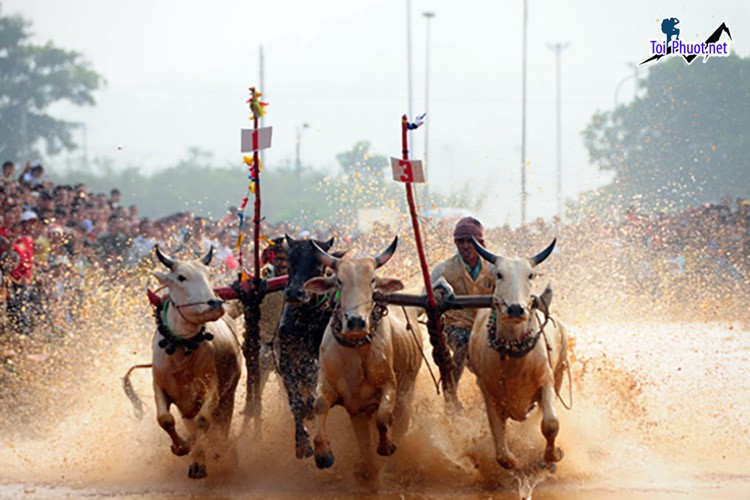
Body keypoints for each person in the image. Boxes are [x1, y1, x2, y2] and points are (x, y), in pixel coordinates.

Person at [430, 216, 495, 385]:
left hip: (488, 325)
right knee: (464, 343)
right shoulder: (443, 270)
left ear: (480, 242)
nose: (465, 246)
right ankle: (452, 392)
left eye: (470, 241)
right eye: (461, 241)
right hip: (456, 325)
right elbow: (425, 299)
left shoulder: (495, 268)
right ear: (455, 244)